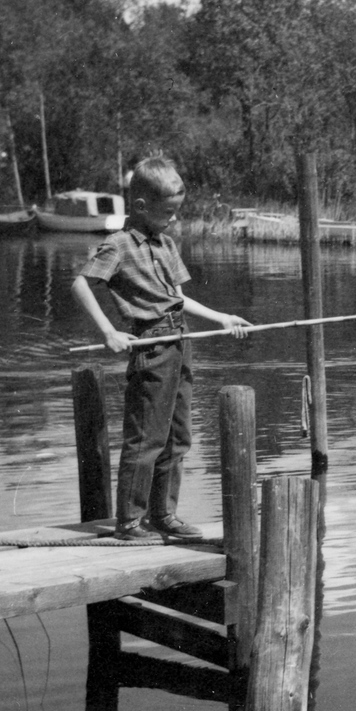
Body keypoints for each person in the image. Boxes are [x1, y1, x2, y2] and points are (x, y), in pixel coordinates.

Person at [71, 157, 249, 541]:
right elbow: (81, 285)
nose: (171, 219)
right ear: (140, 207)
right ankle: (130, 522)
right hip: (151, 346)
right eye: (167, 212)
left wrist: (221, 317)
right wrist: (108, 332)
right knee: (146, 438)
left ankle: (163, 515)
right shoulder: (117, 245)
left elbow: (178, 298)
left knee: (179, 436)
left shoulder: (166, 243)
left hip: (180, 340)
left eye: (175, 212)